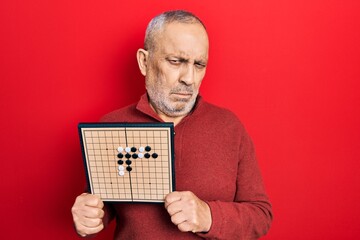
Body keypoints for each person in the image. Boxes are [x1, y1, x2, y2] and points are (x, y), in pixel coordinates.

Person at [71, 10, 272, 239]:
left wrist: (209, 216)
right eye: (176, 61)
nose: (189, 78)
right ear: (144, 62)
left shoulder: (230, 127)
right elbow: (103, 204)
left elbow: (261, 215)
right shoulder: (112, 126)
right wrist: (89, 214)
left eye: (199, 64)